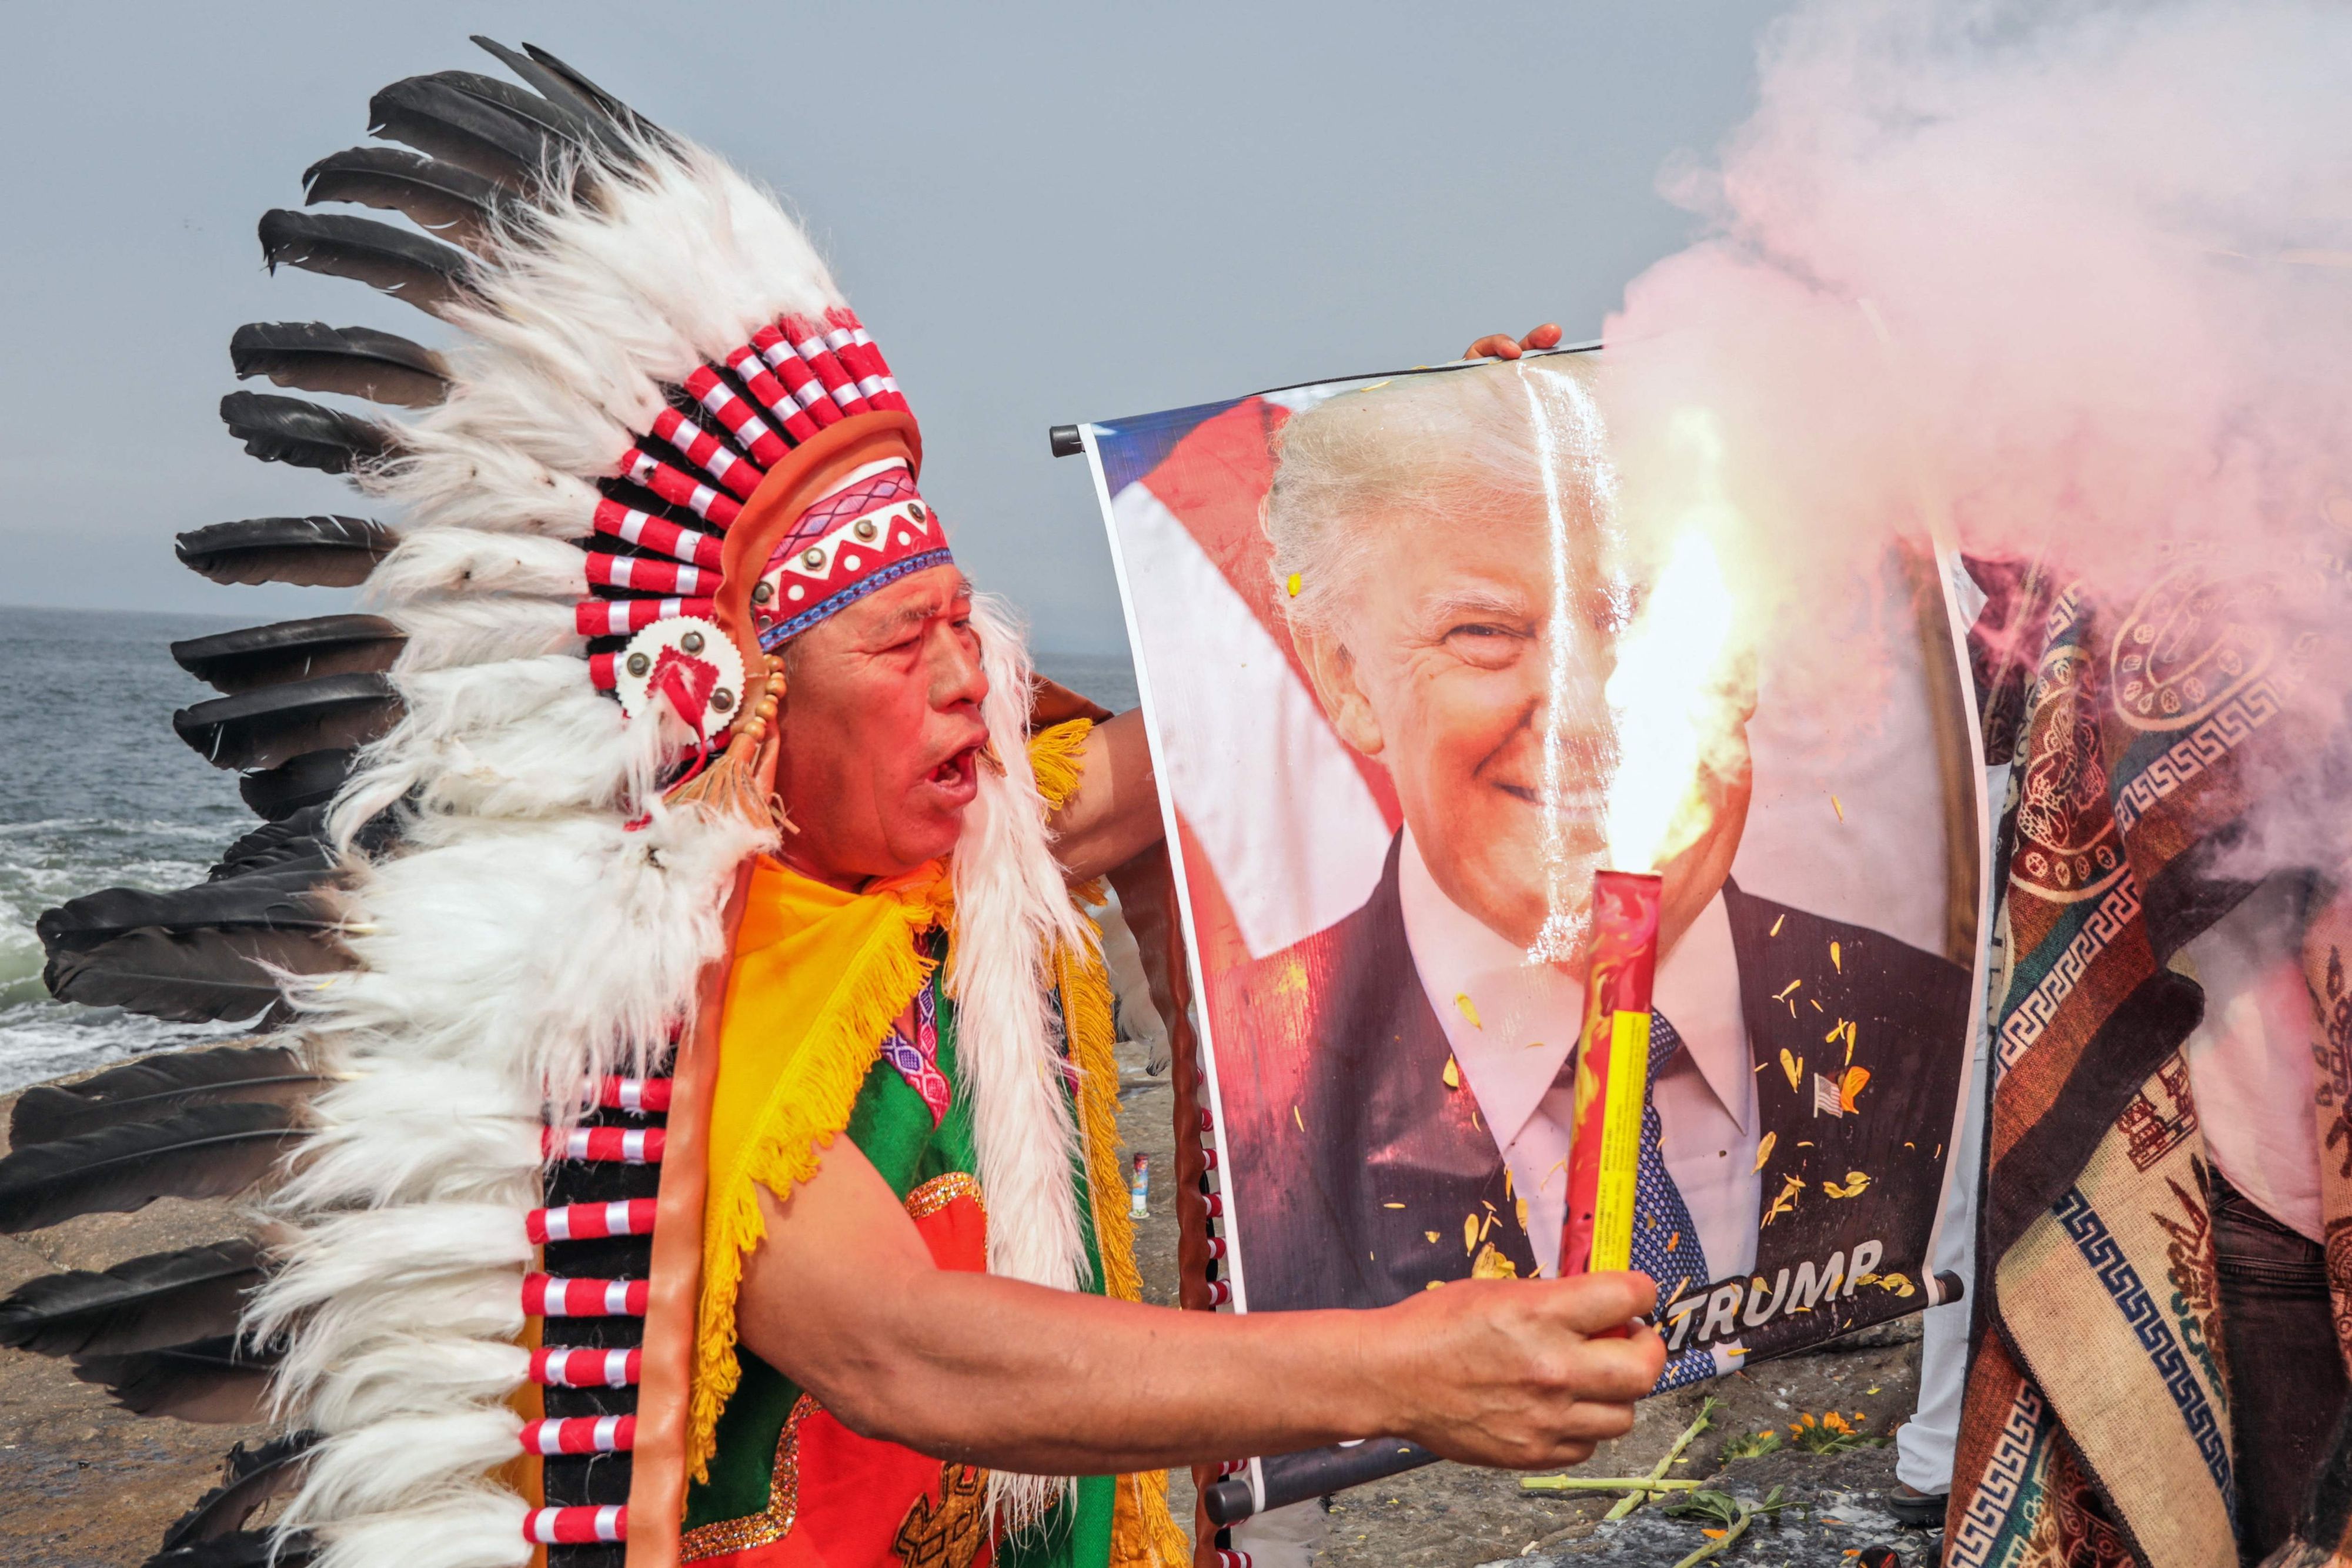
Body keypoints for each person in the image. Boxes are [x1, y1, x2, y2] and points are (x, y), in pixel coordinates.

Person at [0, 49, 1662, 1568]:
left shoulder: (976, 849)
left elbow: (1258, 719)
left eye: (969, 625)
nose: (972, 680)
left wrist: (1479, 474)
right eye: (902, 642)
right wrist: (1407, 1372)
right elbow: (904, 1348)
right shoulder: (662, 1003)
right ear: (752, 712)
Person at [1214, 355, 1973, 1386]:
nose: (1583, 717)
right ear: (1345, 676)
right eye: (1483, 633)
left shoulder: (1948, 1029)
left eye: (1640, 622)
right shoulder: (1258, 1096)